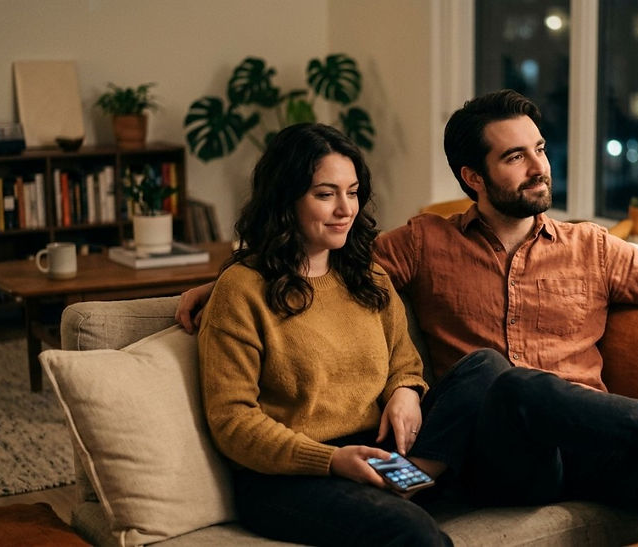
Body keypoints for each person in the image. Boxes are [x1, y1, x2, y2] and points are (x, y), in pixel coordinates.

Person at [182, 91, 638, 538]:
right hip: (499, 455)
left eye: (538, 148)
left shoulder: (592, 247)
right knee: (498, 373)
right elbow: (311, 258)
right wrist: (222, 282)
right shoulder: (423, 244)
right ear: (473, 176)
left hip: (591, 439)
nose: (538, 165)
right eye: (514, 156)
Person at [198, 122, 509, 547]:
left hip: (380, 454)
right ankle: (407, 494)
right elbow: (231, 421)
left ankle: (410, 481)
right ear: (285, 200)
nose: (346, 208)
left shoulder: (368, 275)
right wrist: (331, 460)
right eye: (326, 194)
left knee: (486, 368)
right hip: (291, 476)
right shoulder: (241, 290)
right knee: (416, 534)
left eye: (353, 191)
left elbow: (404, 361)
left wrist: (406, 390)